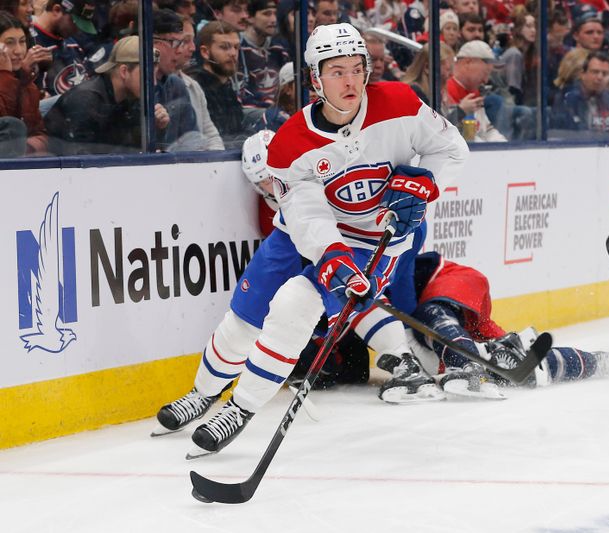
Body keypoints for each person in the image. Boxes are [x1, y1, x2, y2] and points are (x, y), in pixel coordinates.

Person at [152, 23, 469, 455]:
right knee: (242, 323)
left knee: (295, 306)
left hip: (372, 239)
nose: (351, 80)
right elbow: (305, 213)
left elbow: (451, 149)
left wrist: (424, 184)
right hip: (300, 235)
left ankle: (240, 409)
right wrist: (331, 253)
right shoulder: (290, 145)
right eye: (337, 71)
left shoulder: (399, 103)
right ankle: (204, 393)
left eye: (358, 69)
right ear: (315, 79)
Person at [398, 251, 609, 399]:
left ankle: (467, 362)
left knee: (429, 315)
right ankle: (600, 361)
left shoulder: (387, 261)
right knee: (513, 367)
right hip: (457, 322)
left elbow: (404, 302)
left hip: (451, 281)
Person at [44, 35, 169, 155]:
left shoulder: (131, 99)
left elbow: (134, 149)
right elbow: (78, 160)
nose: (153, 82)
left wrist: (156, 127)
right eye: (147, 74)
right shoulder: (85, 101)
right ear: (124, 71)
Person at [191, 20, 253, 149]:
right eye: (224, 47)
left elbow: (237, 129)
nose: (233, 53)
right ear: (205, 52)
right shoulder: (196, 86)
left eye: (236, 47)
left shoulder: (226, 84)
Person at [152, 8, 201, 151]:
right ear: (152, 43)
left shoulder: (176, 85)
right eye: (174, 43)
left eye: (181, 44)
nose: (180, 51)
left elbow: (192, 142)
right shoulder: (133, 87)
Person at [0, 11, 46, 156]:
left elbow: (41, 135)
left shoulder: (28, 86)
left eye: (22, 41)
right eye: (9, 43)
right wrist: (5, 76)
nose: (19, 51)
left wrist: (25, 147)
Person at [549, 51, 609, 138]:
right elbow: (572, 133)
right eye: (595, 72)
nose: (600, 77)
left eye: (605, 73)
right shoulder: (568, 98)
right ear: (583, 74)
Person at [176, 14, 224, 150]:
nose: (192, 48)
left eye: (193, 41)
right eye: (185, 41)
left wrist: (217, 163)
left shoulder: (193, 86)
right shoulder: (149, 88)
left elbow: (211, 135)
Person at [29, 0, 96, 97]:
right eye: (75, 23)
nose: (78, 30)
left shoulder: (73, 44)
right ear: (56, 10)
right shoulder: (29, 42)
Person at [446, 39, 506, 142]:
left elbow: (486, 131)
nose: (486, 80)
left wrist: (505, 146)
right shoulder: (444, 91)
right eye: (484, 73)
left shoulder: (474, 92)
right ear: (467, 63)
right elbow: (442, 133)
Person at [239, 0, 289, 109]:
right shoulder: (238, 47)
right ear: (250, 17)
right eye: (267, 14)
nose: (273, 20)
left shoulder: (280, 48)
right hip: (249, 110)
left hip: (276, 110)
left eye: (275, 14)